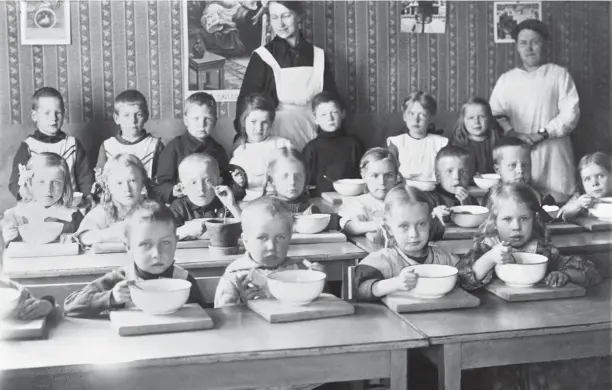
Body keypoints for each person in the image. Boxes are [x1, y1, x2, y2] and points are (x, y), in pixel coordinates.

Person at [457, 183, 603, 390]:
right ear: (493, 221)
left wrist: (564, 274)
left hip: (538, 330)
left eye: (523, 218)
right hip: (495, 335)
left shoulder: (541, 251)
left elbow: (590, 272)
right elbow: (463, 278)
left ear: (534, 219)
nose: (516, 227)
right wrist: (489, 258)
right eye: (507, 219)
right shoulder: (486, 247)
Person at [64, 200, 206, 317]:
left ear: (176, 242)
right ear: (128, 246)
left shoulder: (184, 281)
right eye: (145, 244)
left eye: (166, 243)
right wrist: (111, 297)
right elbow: (70, 306)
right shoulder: (120, 280)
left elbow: (202, 316)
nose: (157, 253)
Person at [489, 19, 580, 203]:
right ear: (517, 47)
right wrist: (512, 133)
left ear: (544, 44)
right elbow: (495, 113)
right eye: (523, 43)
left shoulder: (559, 74)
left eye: (534, 42)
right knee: (521, 202)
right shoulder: (507, 80)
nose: (529, 48)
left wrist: (543, 134)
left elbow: (570, 113)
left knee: (556, 204)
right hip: (518, 153)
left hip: (553, 151)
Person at [235, 1, 337, 151]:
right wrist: (242, 134)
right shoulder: (262, 56)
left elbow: (330, 100)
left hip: (313, 135)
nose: (280, 24)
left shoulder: (319, 56)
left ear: (299, 16)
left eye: (286, 16)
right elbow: (246, 101)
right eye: (274, 17)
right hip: (275, 137)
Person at [214, 196, 323, 307]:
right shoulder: (235, 275)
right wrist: (242, 302)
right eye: (262, 238)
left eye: (280, 237)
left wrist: (317, 283)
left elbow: (314, 308)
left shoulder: (298, 271)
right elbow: (223, 316)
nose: (272, 246)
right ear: (245, 241)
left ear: (290, 237)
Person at [354, 186, 455, 301]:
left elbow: (467, 279)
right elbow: (360, 290)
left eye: (421, 224)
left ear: (430, 223)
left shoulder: (445, 260)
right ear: (389, 228)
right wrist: (395, 283)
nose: (414, 234)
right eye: (404, 226)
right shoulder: (382, 260)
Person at [9, 87, 94, 206]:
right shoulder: (29, 146)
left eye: (58, 112)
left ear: (64, 113)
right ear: (34, 115)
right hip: (39, 205)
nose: (53, 118)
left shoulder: (72, 144)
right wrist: (23, 192)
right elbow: (15, 180)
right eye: (47, 113)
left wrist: (88, 196)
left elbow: (85, 176)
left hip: (69, 205)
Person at [155, 92, 237, 204]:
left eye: (207, 119)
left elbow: (225, 181)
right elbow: (161, 186)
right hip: (182, 207)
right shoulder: (174, 147)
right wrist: (173, 191)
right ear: (186, 120)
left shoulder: (218, 150)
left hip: (212, 207)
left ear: (215, 121)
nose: (201, 124)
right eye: (196, 119)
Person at [2, 153, 83, 244]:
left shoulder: (72, 216)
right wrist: (10, 236)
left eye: (56, 182)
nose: (48, 189)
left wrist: (75, 238)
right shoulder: (18, 215)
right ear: (30, 183)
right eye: (41, 182)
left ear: (64, 185)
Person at [75, 154, 153, 246]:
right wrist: (110, 234)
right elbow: (83, 237)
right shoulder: (103, 211)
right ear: (109, 186)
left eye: (133, 181)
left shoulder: (151, 209)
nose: (127, 189)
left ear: (142, 182)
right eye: (119, 183)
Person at [302, 91, 363, 196]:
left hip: (351, 198)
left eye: (334, 112)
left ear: (343, 113)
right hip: (319, 199)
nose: (330, 118)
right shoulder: (311, 149)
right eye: (323, 114)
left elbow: (363, 174)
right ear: (315, 119)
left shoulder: (354, 144)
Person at [170, 154, 241, 241]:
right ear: (183, 188)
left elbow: (247, 231)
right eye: (193, 182)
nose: (201, 189)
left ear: (219, 182)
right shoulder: (178, 208)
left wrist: (232, 205)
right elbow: (165, 237)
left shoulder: (225, 204)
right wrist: (185, 230)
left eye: (208, 181)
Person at [96, 90, 163, 179]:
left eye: (138, 114)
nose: (133, 120)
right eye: (126, 115)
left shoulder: (155, 145)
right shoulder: (108, 146)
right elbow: (100, 178)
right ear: (117, 118)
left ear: (146, 117)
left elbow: (162, 179)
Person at [230, 94, 292, 190]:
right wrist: (239, 184)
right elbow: (236, 187)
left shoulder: (283, 144)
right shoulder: (240, 151)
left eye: (264, 122)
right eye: (253, 122)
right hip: (251, 200)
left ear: (271, 123)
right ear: (243, 122)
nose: (259, 128)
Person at [339, 147, 401, 237]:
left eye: (388, 175)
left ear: (396, 177)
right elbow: (350, 227)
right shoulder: (359, 203)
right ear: (364, 177)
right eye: (375, 175)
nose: (382, 182)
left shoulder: (403, 202)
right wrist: (379, 224)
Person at [387, 91, 448, 182]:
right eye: (411, 114)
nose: (416, 119)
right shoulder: (397, 143)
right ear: (404, 116)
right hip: (403, 190)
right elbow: (388, 170)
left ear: (430, 118)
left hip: (432, 190)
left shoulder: (440, 144)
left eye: (423, 115)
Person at [449, 96, 503, 177]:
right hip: (464, 188)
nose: (476, 121)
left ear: (489, 118)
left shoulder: (498, 141)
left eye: (482, 117)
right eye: (471, 118)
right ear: (463, 120)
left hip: (493, 187)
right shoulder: (456, 143)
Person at [427, 145, 479, 224]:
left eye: (463, 172)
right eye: (449, 171)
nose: (457, 177)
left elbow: (476, 225)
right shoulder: (429, 199)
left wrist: (467, 205)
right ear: (438, 177)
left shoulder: (471, 200)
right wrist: (433, 215)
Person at [263, 147, 319, 215]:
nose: (292, 182)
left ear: (305, 179)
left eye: (298, 176)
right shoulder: (266, 211)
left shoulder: (312, 211)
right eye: (285, 176)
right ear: (272, 180)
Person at [558, 152, 612, 221]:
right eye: (587, 179)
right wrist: (578, 205)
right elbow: (562, 214)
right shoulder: (582, 198)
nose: (594, 183)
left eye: (600, 176)